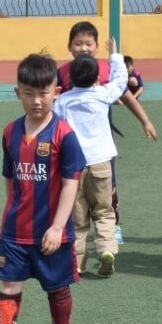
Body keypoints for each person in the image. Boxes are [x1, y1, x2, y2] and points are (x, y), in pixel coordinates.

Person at [0, 53, 85, 324]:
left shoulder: (64, 135)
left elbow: (71, 184)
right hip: (15, 231)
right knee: (9, 286)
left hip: (50, 232)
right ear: (17, 93)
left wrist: (57, 227)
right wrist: (12, 213)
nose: (37, 101)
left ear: (57, 91)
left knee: (57, 287)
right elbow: (8, 178)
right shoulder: (9, 133)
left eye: (43, 93)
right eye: (29, 93)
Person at [57, 21, 158, 246]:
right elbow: (51, 101)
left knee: (108, 186)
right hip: (72, 146)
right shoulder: (63, 73)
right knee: (73, 189)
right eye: (78, 43)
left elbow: (125, 94)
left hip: (100, 144)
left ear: (96, 46)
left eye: (89, 43)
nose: (83, 48)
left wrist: (146, 121)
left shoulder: (104, 69)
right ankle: (74, 229)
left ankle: (114, 226)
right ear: (69, 46)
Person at [53, 38, 128, 277]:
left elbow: (54, 126)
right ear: (98, 78)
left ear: (70, 80)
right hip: (101, 163)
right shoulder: (103, 94)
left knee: (77, 218)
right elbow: (121, 81)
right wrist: (115, 56)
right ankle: (106, 250)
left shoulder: (63, 101)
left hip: (74, 168)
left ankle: (77, 263)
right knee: (105, 211)